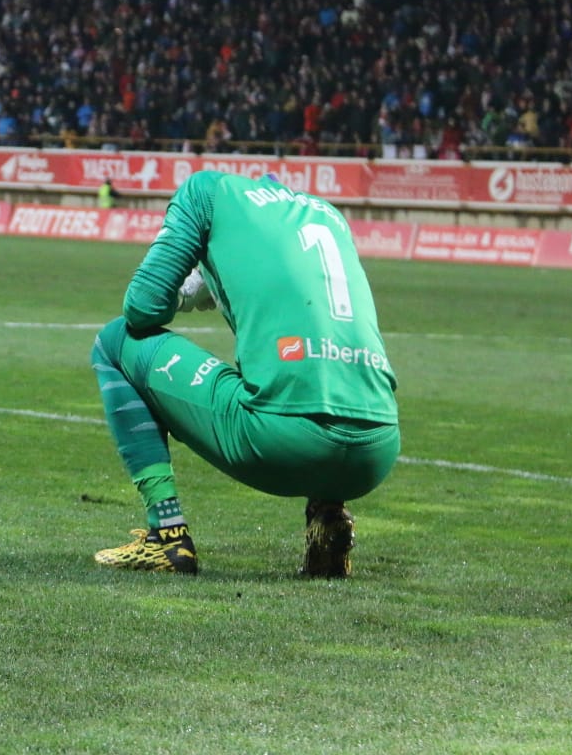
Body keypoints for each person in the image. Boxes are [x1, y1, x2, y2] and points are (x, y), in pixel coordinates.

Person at [89, 171, 400, 577]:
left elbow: (142, 306)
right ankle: (327, 521)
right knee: (314, 371)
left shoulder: (207, 192)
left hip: (283, 443)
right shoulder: (328, 214)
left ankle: (165, 536)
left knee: (115, 341)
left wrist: (190, 291)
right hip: (377, 450)